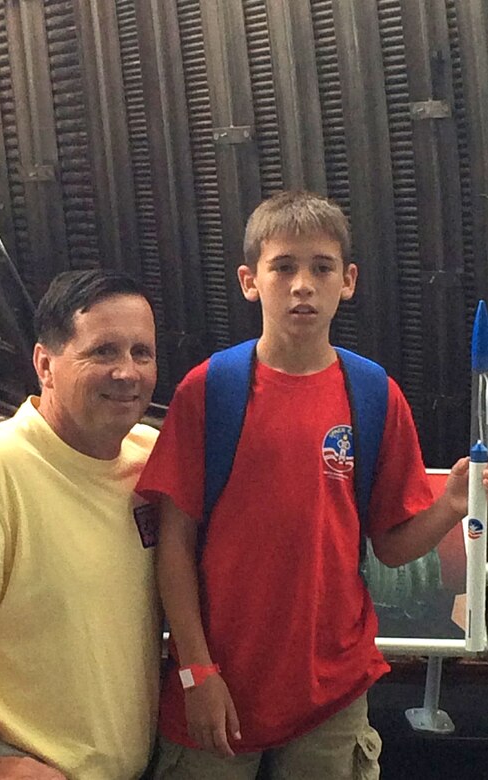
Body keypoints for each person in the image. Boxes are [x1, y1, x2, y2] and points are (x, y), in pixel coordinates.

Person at [136, 191, 473, 779]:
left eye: (321, 267)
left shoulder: (373, 395)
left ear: (348, 280)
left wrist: (450, 504)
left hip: (332, 691)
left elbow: (391, 545)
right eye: (283, 266)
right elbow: (174, 545)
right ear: (250, 280)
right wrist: (196, 671)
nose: (302, 284)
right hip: (220, 686)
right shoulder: (209, 390)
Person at [0, 270, 161, 780]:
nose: (127, 372)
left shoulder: (150, 463)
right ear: (46, 364)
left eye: (142, 352)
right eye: (103, 352)